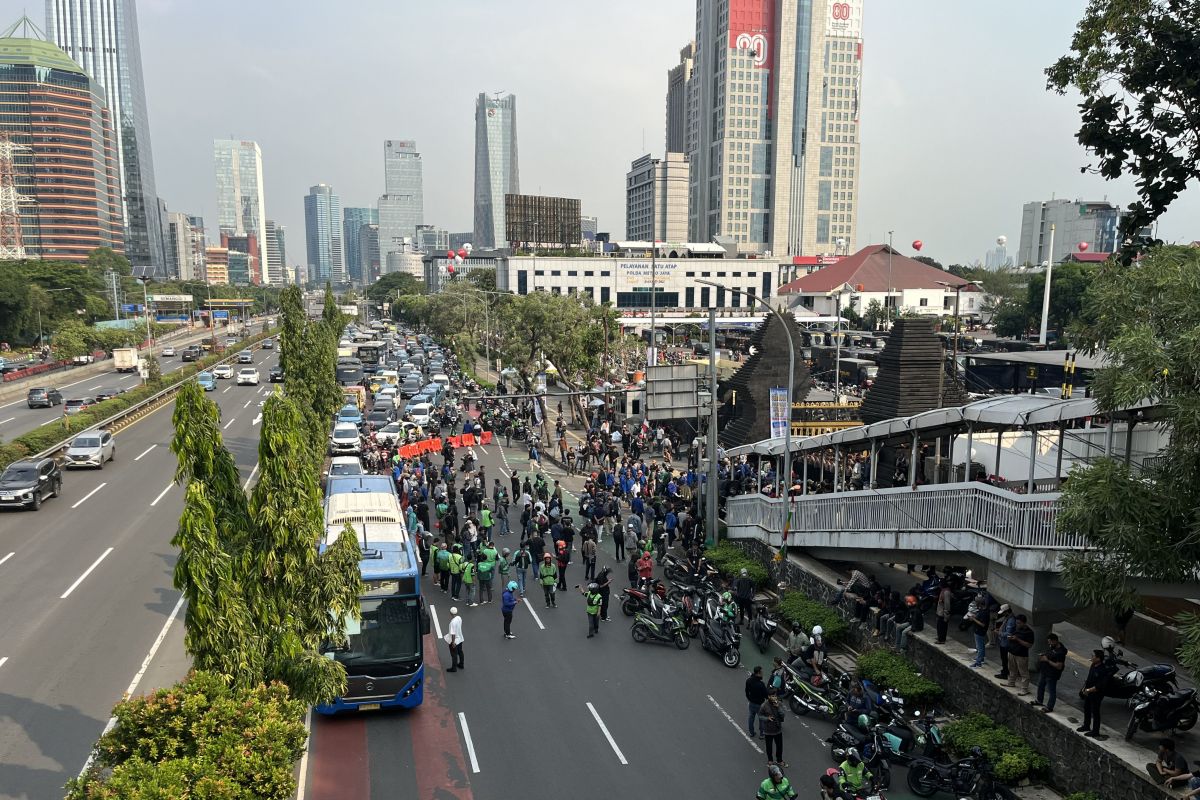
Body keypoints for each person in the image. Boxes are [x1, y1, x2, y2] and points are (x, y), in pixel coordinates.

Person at [1077, 648, 1116, 739]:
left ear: (1098, 658)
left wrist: (1089, 690)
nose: (1091, 657)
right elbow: (1089, 678)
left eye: (1093, 656)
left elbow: (1100, 685)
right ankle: (1086, 725)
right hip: (1088, 691)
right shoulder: (1093, 665)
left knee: (1095, 711)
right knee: (1086, 708)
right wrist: (1084, 689)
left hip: (1096, 694)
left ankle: (1095, 731)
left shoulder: (1103, 670)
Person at [1031, 632, 1067, 713]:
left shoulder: (1060, 653)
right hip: (1044, 671)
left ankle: (1049, 707)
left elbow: (1059, 666)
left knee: (1051, 690)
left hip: (1052, 674)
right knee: (1040, 686)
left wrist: (1047, 660)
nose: (1049, 644)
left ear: (1054, 641)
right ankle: (1039, 700)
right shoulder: (1052, 647)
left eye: (1050, 642)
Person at [1005, 614, 1035, 695]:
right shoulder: (1017, 629)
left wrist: (1018, 639)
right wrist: (1011, 638)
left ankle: (1024, 689)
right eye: (1016, 623)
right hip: (1012, 652)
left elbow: (1029, 645)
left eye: (1019, 623)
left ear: (1024, 623)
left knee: (1023, 672)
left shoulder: (1029, 632)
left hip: (1021, 655)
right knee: (1011, 669)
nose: (1017, 624)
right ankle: (1011, 682)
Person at [967, 598, 991, 669]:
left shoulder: (984, 613)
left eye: (977, 603)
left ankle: (978, 663)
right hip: (980, 631)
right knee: (982, 646)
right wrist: (975, 617)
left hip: (980, 631)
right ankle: (982, 659)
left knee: (979, 647)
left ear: (980, 604)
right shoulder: (984, 610)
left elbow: (983, 624)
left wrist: (973, 619)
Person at [746, 665, 769, 738]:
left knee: (751, 718)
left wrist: (749, 699)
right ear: (758, 673)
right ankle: (762, 734)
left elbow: (746, 691)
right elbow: (766, 695)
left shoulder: (749, 680)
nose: (763, 673)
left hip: (751, 703)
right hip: (760, 704)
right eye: (761, 672)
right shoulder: (761, 684)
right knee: (761, 719)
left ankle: (751, 732)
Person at [994, 604, 1015, 680]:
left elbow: (1009, 633)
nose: (1002, 614)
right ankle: (1005, 671)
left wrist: (999, 633)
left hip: (1006, 643)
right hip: (1003, 642)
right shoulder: (1008, 618)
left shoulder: (1011, 620)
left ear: (1006, 611)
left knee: (1005, 659)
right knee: (1004, 658)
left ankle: (1004, 674)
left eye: (1003, 612)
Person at [445, 607, 465, 672]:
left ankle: (454, 668)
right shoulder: (459, 618)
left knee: (454, 654)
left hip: (455, 640)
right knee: (460, 651)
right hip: (460, 638)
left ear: (450, 613)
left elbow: (453, 633)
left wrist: (453, 642)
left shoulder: (452, 622)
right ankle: (461, 664)